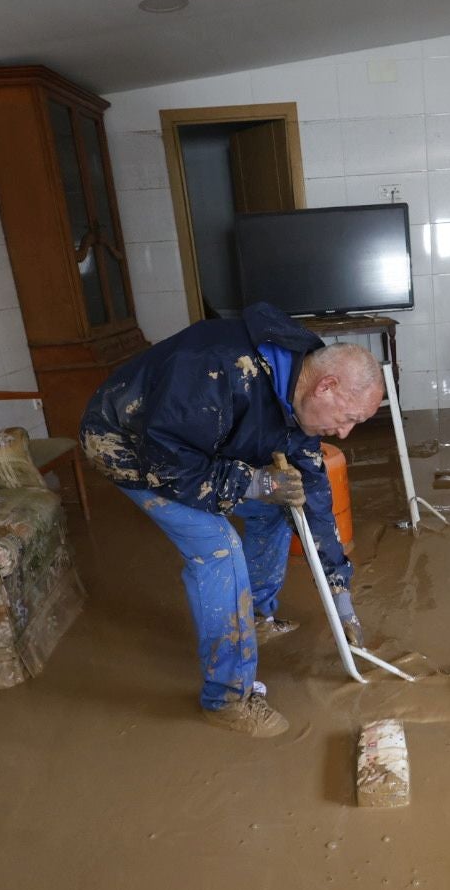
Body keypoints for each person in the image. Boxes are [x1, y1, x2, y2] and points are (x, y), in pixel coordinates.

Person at [81, 302, 384, 738]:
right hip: (129, 445)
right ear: (327, 387)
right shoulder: (216, 369)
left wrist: (339, 587)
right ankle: (226, 698)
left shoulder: (297, 382)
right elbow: (168, 462)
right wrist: (255, 482)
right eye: (349, 418)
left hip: (205, 442)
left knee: (281, 510)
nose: (345, 434)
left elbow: (312, 493)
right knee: (218, 547)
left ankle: (257, 616)